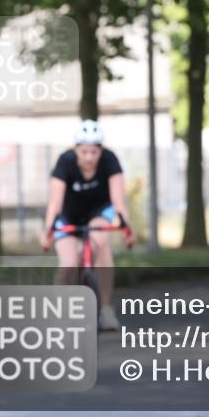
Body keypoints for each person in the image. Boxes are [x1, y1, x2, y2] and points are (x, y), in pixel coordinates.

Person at [40, 120, 136, 331]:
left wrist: (127, 228)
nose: (89, 157)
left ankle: (105, 309)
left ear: (100, 150)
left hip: (99, 212)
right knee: (68, 262)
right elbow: (55, 203)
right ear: (76, 149)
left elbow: (119, 201)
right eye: (84, 152)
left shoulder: (110, 160)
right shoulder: (65, 162)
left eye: (94, 152)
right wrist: (47, 231)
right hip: (69, 214)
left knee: (100, 242)